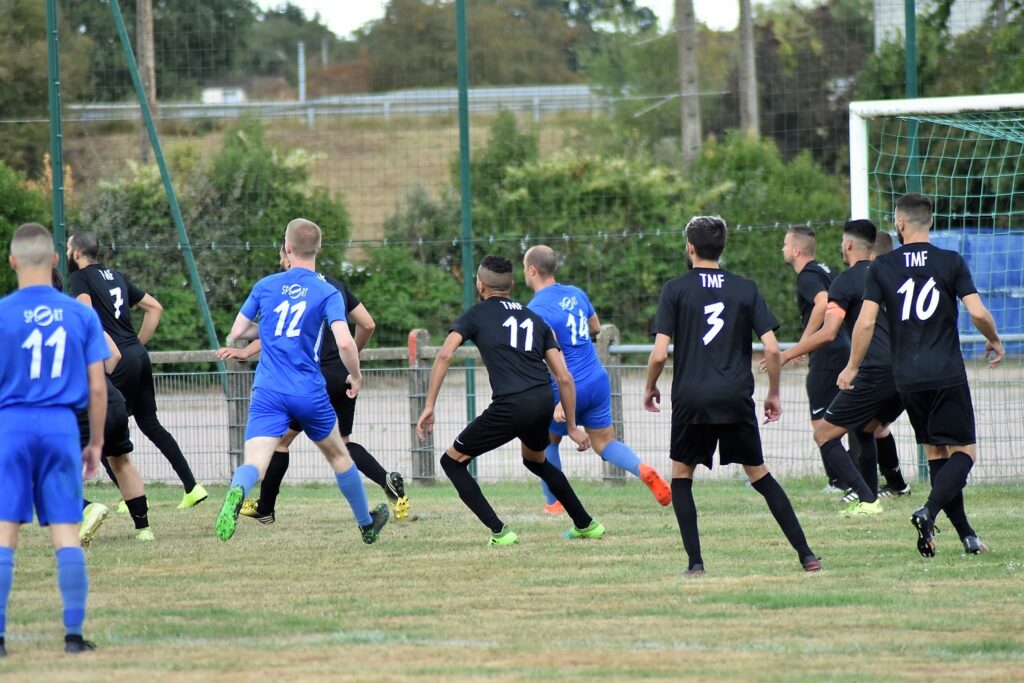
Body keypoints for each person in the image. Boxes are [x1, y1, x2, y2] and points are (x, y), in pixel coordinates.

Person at [644, 216, 821, 574]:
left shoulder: (675, 289)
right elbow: (772, 350)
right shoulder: (745, 288)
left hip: (692, 397)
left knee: (681, 475)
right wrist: (773, 393)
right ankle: (806, 555)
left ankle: (695, 563)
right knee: (760, 474)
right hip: (735, 394)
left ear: (690, 248)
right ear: (722, 248)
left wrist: (650, 386)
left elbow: (660, 353)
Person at [838, 193, 1003, 556]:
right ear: (930, 221)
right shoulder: (950, 261)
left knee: (936, 453)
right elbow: (976, 312)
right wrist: (994, 339)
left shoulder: (882, 267)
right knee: (965, 453)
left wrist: (851, 367)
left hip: (907, 378)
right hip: (945, 372)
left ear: (899, 224)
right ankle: (928, 511)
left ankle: (967, 537)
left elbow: (865, 323)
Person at [215, 218, 389, 544]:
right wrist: (355, 375)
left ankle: (238, 489)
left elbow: (237, 332)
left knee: (255, 461)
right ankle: (366, 524)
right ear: (318, 249)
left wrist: (264, 330)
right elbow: (347, 342)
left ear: (288, 248)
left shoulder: (265, 285)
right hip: (308, 390)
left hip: (268, 389)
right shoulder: (327, 291)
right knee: (339, 455)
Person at [416, 255, 604, 546]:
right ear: (512, 284)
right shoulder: (534, 318)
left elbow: (444, 354)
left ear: (480, 285)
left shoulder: (476, 314)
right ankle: (586, 525)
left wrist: (429, 405)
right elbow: (564, 378)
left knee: (451, 462)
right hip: (542, 398)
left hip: (512, 404)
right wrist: (572, 426)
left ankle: (499, 532)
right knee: (536, 461)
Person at [0, 223, 110, 655]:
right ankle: (73, 637)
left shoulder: (3, 313)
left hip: (11, 426)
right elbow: (98, 387)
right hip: (62, 427)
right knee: (66, 533)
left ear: (12, 262)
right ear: (52, 261)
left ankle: (2, 639)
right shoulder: (80, 315)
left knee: (5, 533)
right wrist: (96, 442)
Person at [523, 245, 670, 513]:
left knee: (545, 443)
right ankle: (642, 469)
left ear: (531, 270)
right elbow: (595, 327)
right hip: (597, 377)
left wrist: (559, 396)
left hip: (568, 383)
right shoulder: (576, 294)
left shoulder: (534, 309)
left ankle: (554, 502)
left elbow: (553, 350)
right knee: (604, 442)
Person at [777, 220, 909, 518]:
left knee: (824, 434)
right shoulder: (895, 277)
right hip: (906, 370)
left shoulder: (846, 281)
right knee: (866, 428)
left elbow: (829, 332)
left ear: (848, 245)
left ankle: (865, 497)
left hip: (874, 371)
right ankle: (873, 494)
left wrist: (788, 354)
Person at [67, 232, 207, 510]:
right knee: (150, 424)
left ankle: (128, 499)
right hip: (138, 356)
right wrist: (137, 345)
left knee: (105, 428)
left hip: (114, 357)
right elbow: (154, 307)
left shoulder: (79, 278)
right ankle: (192, 487)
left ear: (77, 254)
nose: (68, 252)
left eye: (69, 248)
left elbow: (87, 318)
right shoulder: (115, 276)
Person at [780, 226, 852, 493]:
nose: (783, 249)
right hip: (844, 346)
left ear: (797, 250)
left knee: (822, 422)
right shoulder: (827, 270)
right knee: (847, 418)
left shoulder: (807, 276)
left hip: (829, 352)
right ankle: (856, 477)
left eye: (785, 245)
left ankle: (839, 482)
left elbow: (822, 304)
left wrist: (803, 344)